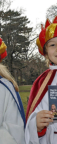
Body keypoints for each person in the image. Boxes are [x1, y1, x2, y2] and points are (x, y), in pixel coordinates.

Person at [25, 16, 57, 144]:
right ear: (45, 52)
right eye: (53, 44)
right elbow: (32, 120)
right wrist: (37, 125)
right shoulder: (42, 82)